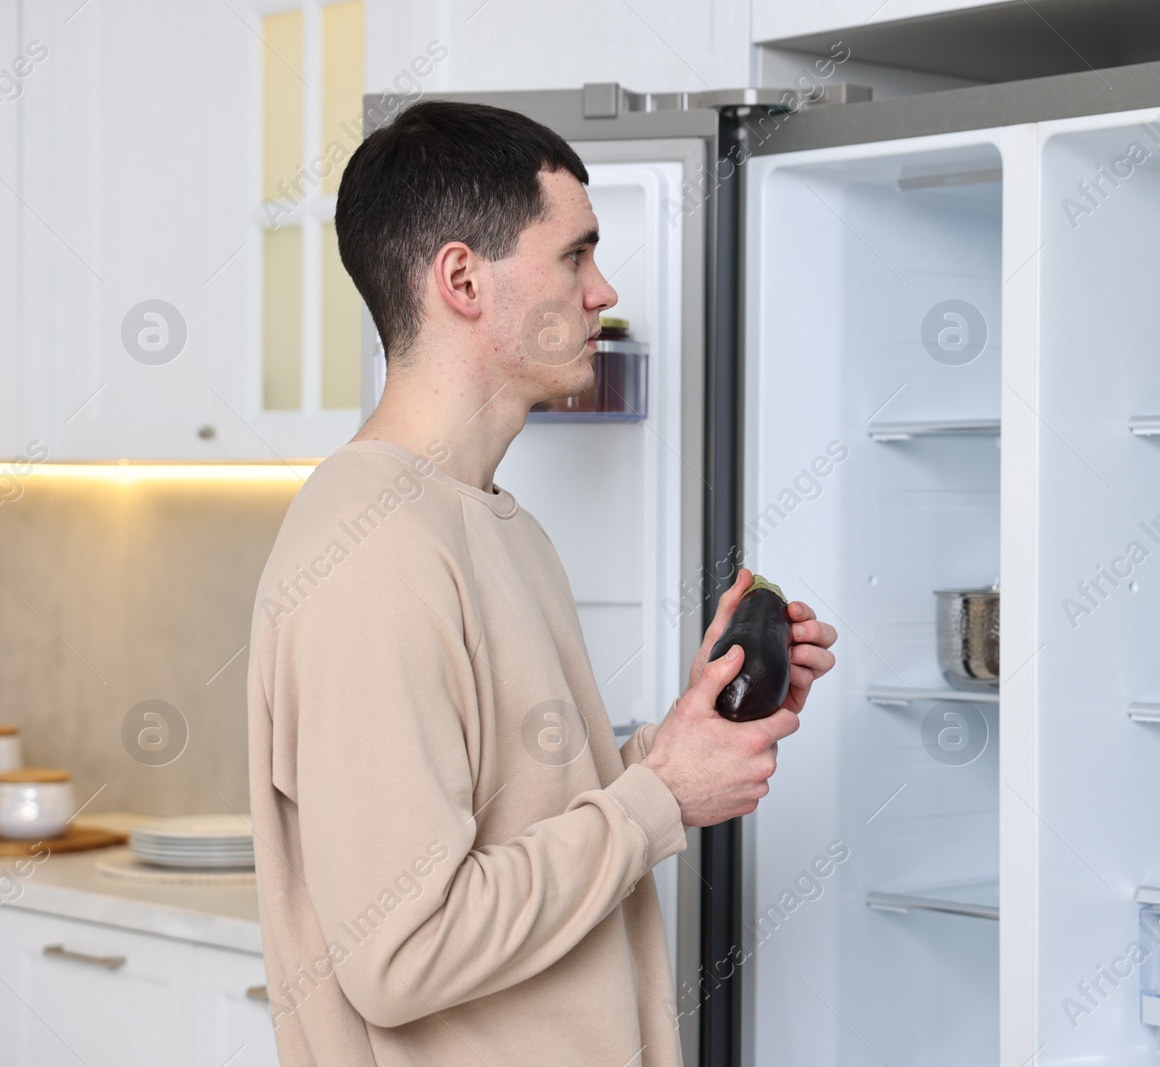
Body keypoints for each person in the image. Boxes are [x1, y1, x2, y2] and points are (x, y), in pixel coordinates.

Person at [245, 100, 838, 1067]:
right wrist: (657, 798)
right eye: (575, 254)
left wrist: (684, 741)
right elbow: (403, 952)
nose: (603, 289)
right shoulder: (371, 552)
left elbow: (518, 819)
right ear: (462, 279)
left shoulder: (487, 520)